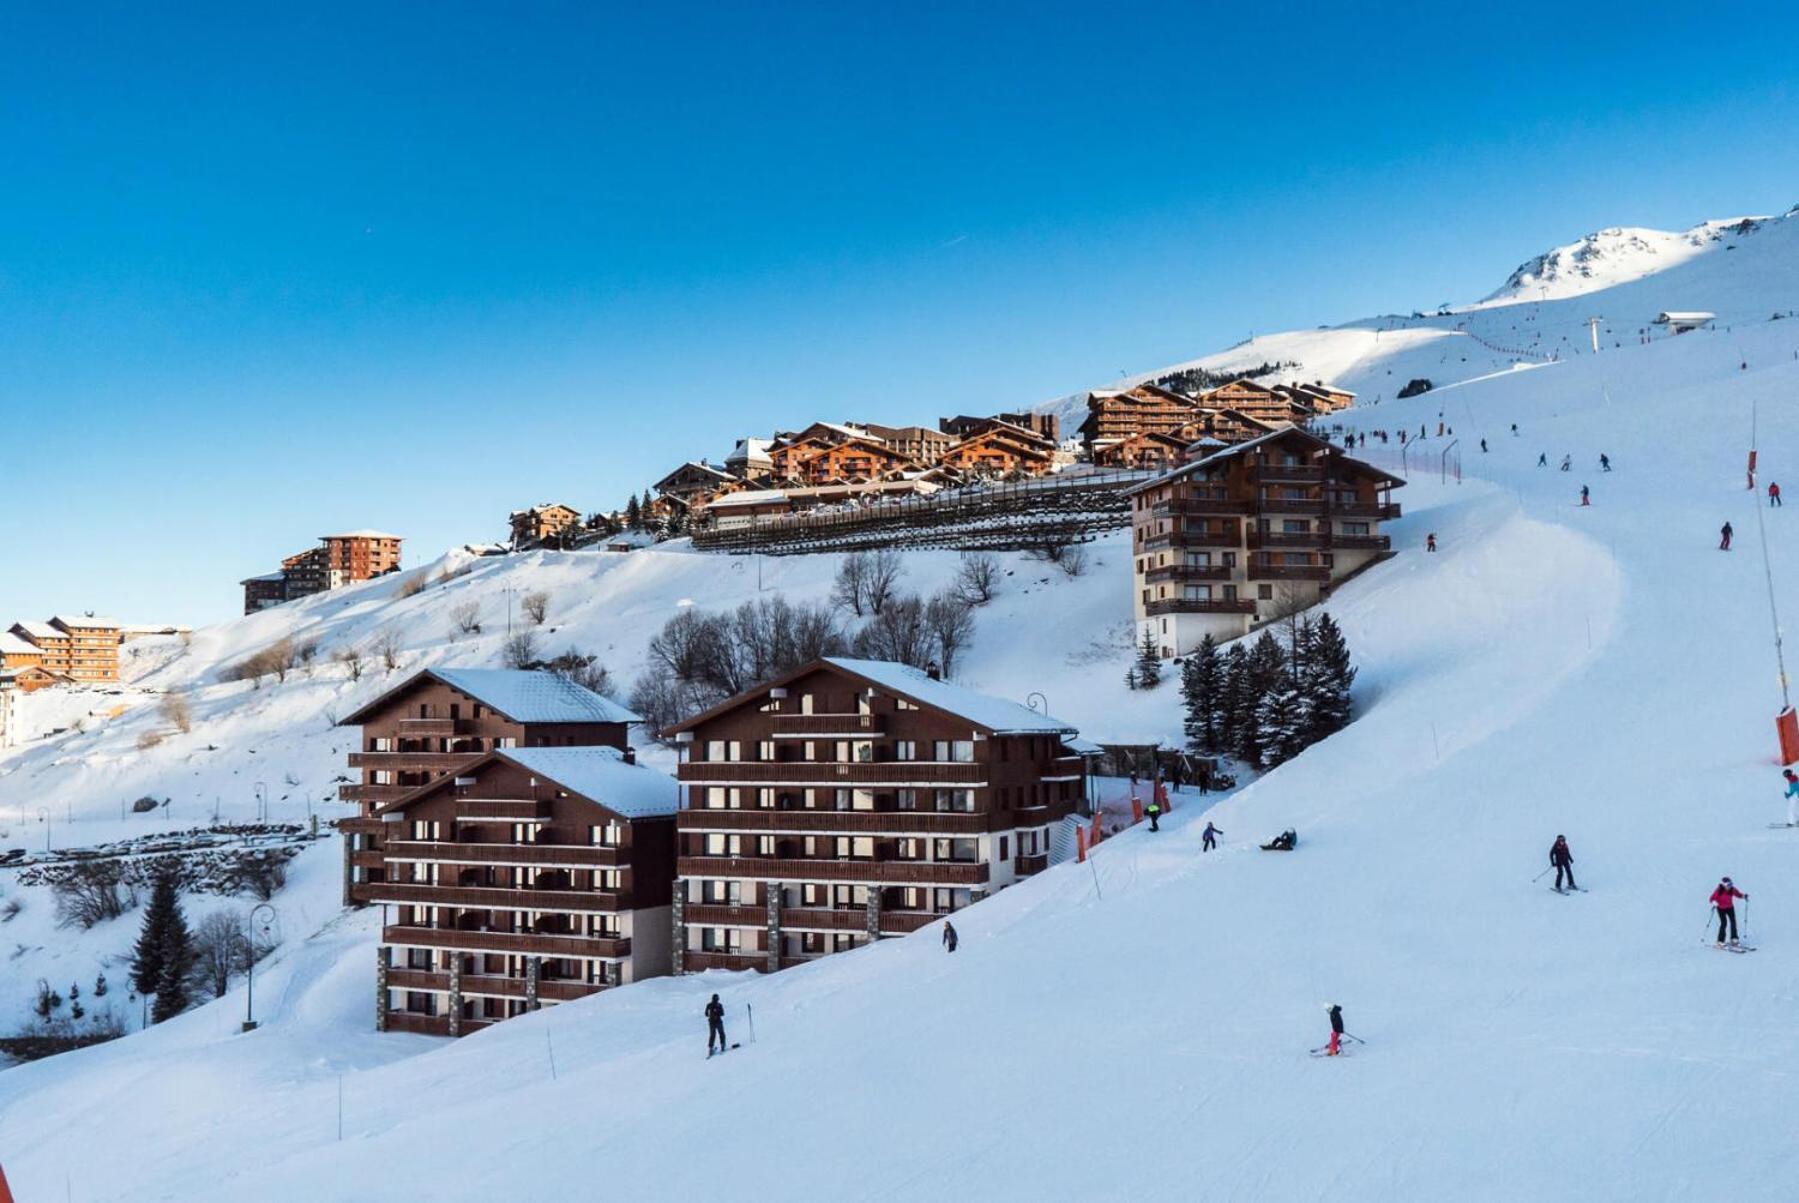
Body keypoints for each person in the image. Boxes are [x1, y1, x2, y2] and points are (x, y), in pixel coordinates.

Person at [1710, 877, 1748, 945]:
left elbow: (1738, 894)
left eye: (1730, 884)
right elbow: (1711, 899)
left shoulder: (1732, 889)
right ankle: (1720, 941)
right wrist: (1714, 902)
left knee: (1733, 921)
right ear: (1724, 885)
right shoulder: (1719, 890)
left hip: (1730, 907)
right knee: (1724, 922)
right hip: (1721, 908)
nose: (1729, 886)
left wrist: (1744, 896)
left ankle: (1734, 938)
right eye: (1728, 885)